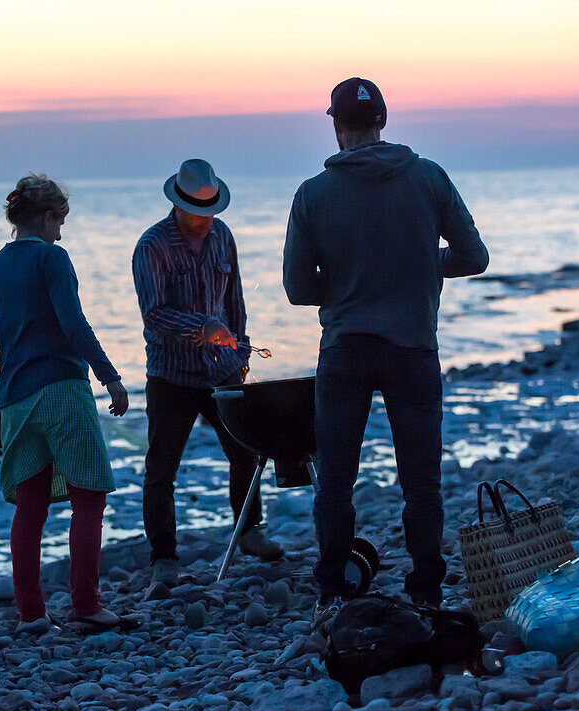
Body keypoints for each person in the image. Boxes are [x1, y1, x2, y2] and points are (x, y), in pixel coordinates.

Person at [282, 79, 490, 629]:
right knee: (420, 478)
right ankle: (426, 588)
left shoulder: (313, 194)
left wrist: (351, 279)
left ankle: (331, 591)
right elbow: (474, 257)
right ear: (385, 120)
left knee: (336, 478)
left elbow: (298, 289)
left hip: (346, 348)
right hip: (412, 348)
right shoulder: (428, 177)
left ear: (335, 124)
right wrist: (419, 264)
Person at [0, 174, 133, 633]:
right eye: (61, 220)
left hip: (15, 401)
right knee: (89, 496)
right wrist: (110, 376)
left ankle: (32, 615)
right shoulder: (52, 258)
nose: (63, 230)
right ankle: (87, 605)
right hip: (61, 389)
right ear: (46, 216)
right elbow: (73, 325)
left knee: (31, 505)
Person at [133, 158, 284, 587]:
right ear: (178, 204)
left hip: (222, 371)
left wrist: (241, 352)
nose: (205, 218)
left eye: (210, 211)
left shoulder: (223, 238)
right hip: (171, 374)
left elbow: (234, 300)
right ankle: (163, 558)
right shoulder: (152, 246)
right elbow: (154, 315)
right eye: (197, 211)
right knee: (162, 468)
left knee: (246, 451)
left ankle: (250, 531)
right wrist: (201, 328)